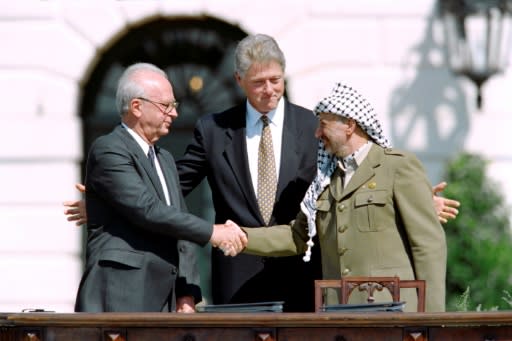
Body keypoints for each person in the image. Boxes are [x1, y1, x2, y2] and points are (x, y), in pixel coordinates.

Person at [64, 35, 459, 312]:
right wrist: (110, 200)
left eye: (276, 80)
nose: (269, 90)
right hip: (238, 282)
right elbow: (170, 190)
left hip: (310, 281)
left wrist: (417, 201)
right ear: (239, 82)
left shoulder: (314, 127)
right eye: (259, 83)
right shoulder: (214, 129)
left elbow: (354, 185)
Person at [231, 82, 448, 312]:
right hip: (338, 314)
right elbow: (297, 236)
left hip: (392, 312)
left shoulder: (397, 166)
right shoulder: (324, 180)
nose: (317, 133)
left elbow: (428, 246)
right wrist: (242, 236)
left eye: (323, 125)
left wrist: (432, 320)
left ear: (349, 126)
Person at [74, 62, 246, 313]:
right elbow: (147, 209)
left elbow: (179, 220)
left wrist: (188, 293)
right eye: (166, 106)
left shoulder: (164, 158)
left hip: (165, 300)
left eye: (174, 106)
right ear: (136, 107)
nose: (174, 113)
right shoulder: (109, 149)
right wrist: (212, 232)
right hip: (120, 295)